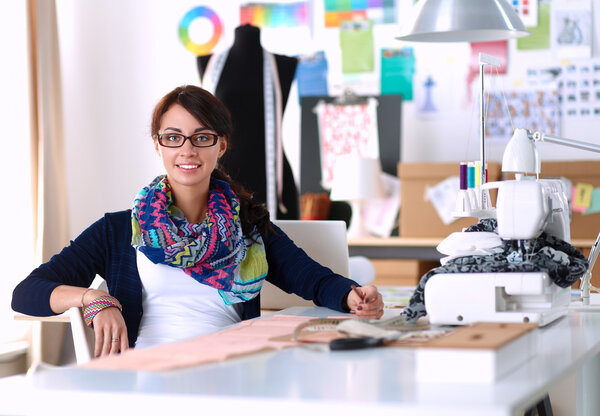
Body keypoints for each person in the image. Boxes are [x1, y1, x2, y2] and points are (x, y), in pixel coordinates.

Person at [12, 85, 384, 359]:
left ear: (220, 146)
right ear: (158, 145)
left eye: (201, 137)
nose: (187, 150)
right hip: (146, 374)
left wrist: (354, 295)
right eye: (173, 138)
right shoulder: (117, 229)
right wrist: (94, 298)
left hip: (230, 368)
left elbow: (311, 278)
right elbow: (26, 293)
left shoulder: (247, 226)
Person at [198, 24, 299, 220]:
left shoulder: (283, 65)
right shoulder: (209, 64)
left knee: (276, 247)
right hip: (223, 174)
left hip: (272, 178)